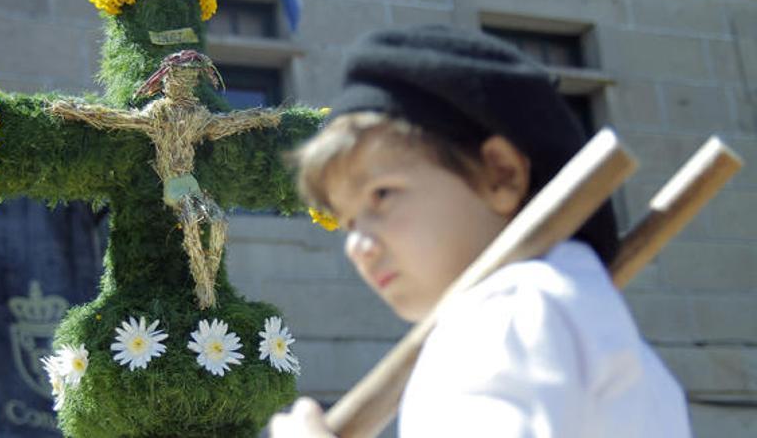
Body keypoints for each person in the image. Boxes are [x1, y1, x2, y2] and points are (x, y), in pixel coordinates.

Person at [269, 25, 691, 437]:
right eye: (348, 223)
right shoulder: (608, 339)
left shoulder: (504, 315)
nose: (357, 247)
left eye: (381, 195)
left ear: (501, 174)